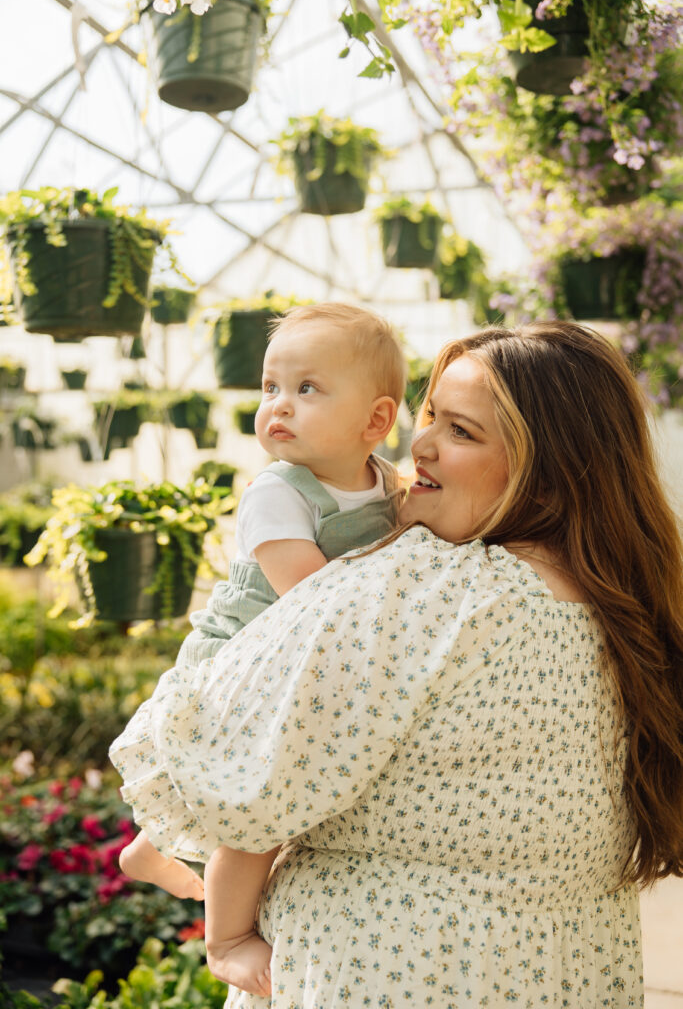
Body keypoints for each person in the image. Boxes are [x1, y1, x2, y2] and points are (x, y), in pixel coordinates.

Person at [111, 319, 683, 1008]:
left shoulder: (420, 587)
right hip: (561, 970)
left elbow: (238, 781)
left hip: (384, 969)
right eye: (429, 417)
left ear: (549, 470)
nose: (422, 445)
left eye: (461, 432)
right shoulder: (633, 610)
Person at [115, 301, 406, 995]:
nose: (278, 405)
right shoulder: (277, 492)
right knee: (253, 807)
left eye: (307, 389)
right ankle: (228, 938)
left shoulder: (384, 480)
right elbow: (311, 597)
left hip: (291, 667)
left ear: (374, 421)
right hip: (237, 665)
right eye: (271, 387)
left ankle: (148, 848)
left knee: (232, 792)